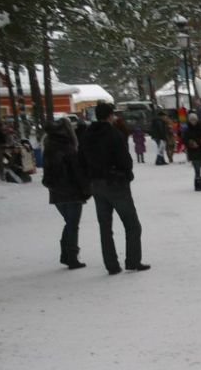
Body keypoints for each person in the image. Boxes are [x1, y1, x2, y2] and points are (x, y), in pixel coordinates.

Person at [80, 101, 149, 274]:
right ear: (110, 116)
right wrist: (126, 174)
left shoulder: (88, 134)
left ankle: (111, 265)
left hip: (96, 184)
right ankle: (133, 260)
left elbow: (81, 159)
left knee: (105, 226)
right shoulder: (113, 134)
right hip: (116, 183)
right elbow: (124, 159)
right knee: (132, 224)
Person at [41, 118, 91, 270]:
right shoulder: (68, 148)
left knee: (69, 223)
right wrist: (86, 189)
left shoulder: (48, 146)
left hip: (56, 192)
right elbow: (77, 172)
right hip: (72, 192)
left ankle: (66, 254)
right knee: (72, 225)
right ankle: (71, 256)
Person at [182, 111, 201, 191]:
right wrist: (191, 143)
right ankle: (198, 185)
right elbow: (185, 140)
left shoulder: (200, 128)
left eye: (194, 120)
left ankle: (200, 184)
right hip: (193, 152)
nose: (193, 122)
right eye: (191, 120)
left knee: (198, 169)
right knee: (197, 169)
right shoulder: (187, 130)